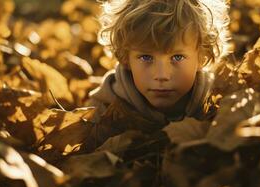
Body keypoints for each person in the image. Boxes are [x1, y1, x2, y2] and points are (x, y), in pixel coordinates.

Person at [85, 0, 230, 150]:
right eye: (146, 57)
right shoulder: (102, 110)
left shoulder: (219, 104)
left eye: (177, 57)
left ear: (202, 56)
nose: (162, 75)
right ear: (125, 57)